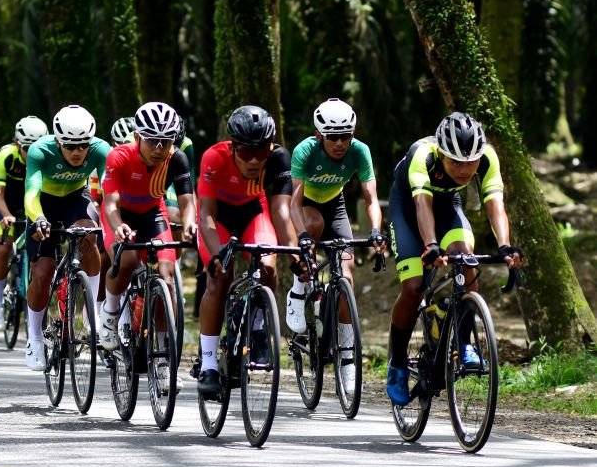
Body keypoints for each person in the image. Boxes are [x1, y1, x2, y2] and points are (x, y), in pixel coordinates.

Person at [385, 112, 523, 406]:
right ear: (443, 153)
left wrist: (505, 246)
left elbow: (494, 202)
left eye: (470, 162)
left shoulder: (487, 157)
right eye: (456, 161)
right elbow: (422, 203)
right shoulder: (423, 155)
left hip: (448, 206)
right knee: (413, 287)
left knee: (466, 259)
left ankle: (464, 342)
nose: (465, 169)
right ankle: (397, 363)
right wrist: (431, 245)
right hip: (409, 209)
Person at [286, 98, 385, 390]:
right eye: (333, 137)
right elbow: (294, 200)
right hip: (306, 205)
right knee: (313, 225)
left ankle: (347, 358)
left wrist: (377, 231)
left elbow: (371, 198)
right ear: (319, 136)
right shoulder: (305, 150)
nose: (340, 143)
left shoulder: (359, 151)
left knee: (347, 273)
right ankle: (298, 289)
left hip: (336, 205)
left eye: (346, 136)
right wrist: (302, 235)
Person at [195, 105, 295, 395]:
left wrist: (294, 251)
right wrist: (217, 255)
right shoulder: (214, 157)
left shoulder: (278, 158)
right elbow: (206, 216)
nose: (254, 160)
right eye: (247, 152)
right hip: (219, 218)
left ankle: (259, 326)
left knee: (268, 265)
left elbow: (281, 211)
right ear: (234, 147)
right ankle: (209, 364)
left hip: (254, 211)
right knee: (220, 277)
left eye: (261, 151)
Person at [99, 101, 197, 353]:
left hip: (153, 214)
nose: (159, 147)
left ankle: (164, 355)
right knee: (127, 261)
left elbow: (187, 202)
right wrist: (119, 226)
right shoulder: (118, 156)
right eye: (152, 140)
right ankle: (110, 312)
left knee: (166, 277)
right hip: (120, 215)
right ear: (137, 137)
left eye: (166, 141)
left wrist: (189, 226)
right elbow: (110, 203)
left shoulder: (177, 159)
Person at [23, 105, 111, 371]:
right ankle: (35, 337)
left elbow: (110, 189)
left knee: (88, 235)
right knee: (42, 272)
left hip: (75, 199)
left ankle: (91, 311)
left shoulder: (101, 149)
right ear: (58, 141)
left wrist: (111, 220)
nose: (77, 152)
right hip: (44, 205)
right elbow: (31, 193)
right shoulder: (40, 151)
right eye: (70, 146)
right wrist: (38, 218)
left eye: (82, 145)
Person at [0, 116, 49, 331]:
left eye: (37, 147)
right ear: (17, 144)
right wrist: (6, 215)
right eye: (26, 148)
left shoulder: (46, 157)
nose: (32, 153)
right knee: (3, 249)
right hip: (7, 205)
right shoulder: (6, 156)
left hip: (32, 206)